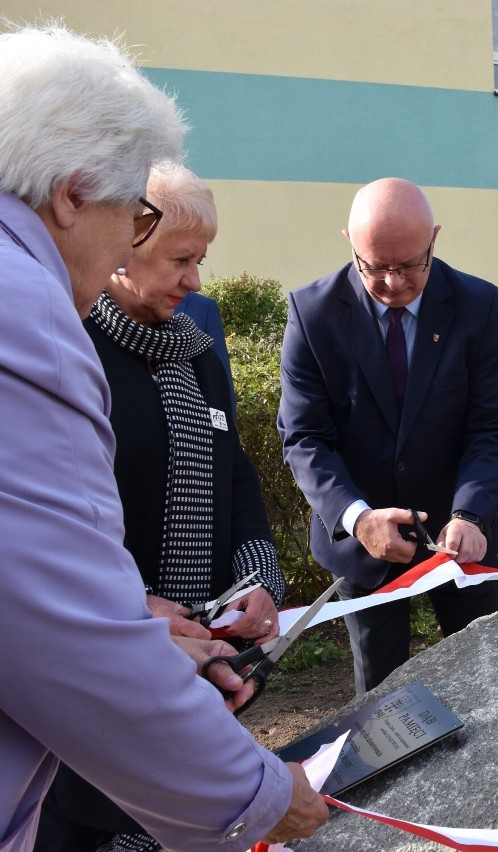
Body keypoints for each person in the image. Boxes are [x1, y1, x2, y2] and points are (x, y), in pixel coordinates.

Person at [0, 23, 326, 851]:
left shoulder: (196, 338)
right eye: (137, 218)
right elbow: (65, 624)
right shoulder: (37, 318)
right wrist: (252, 793)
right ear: (74, 193)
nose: (184, 274)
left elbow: (229, 467)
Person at [37, 162, 287, 851]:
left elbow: (231, 471)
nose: (197, 281)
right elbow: (51, 522)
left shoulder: (195, 341)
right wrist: (136, 605)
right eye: (182, 259)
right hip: (104, 660)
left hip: (202, 663)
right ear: (126, 247)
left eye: (201, 260)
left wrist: (260, 578)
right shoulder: (67, 340)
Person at [278, 177, 498, 694]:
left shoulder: (475, 306)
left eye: (410, 264)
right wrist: (356, 517)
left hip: (462, 542)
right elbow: (305, 438)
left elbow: (491, 425)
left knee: (487, 687)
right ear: (349, 242)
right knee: (381, 708)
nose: (392, 282)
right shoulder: (312, 314)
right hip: (362, 544)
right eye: (375, 266)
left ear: (434, 238)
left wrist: (471, 512)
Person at [177, 291, 237, 414]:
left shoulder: (203, 306)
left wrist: (228, 426)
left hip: (195, 418)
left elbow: (220, 374)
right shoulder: (127, 309)